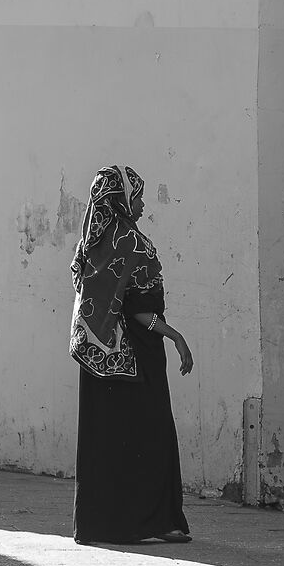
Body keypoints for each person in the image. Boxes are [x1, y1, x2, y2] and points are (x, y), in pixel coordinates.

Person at [69, 165, 195, 545]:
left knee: (106, 440)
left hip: (97, 358)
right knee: (151, 436)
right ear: (122, 200)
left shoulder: (92, 243)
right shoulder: (131, 242)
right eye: (137, 197)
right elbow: (140, 311)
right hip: (137, 357)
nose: (141, 206)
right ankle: (157, 521)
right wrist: (175, 336)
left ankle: (100, 524)